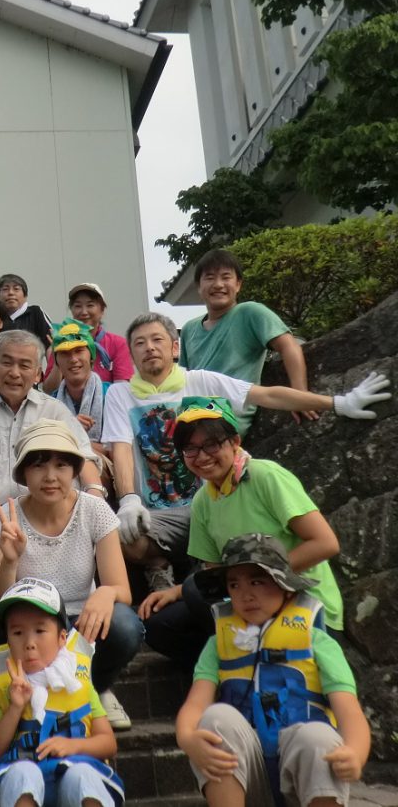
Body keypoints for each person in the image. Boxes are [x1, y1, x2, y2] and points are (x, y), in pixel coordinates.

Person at [102, 312, 389, 593]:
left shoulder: (199, 380)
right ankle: (159, 564)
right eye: (140, 343)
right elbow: (122, 449)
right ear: (131, 353)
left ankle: (198, 573)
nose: (149, 347)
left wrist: (338, 402)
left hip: (212, 502)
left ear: (175, 347)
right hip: (161, 515)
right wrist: (128, 499)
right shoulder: (119, 394)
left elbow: (266, 395)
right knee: (118, 536)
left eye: (157, 339)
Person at [139, 398, 343, 671]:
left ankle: (249, 669)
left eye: (211, 444)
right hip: (248, 600)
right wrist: (174, 592)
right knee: (160, 624)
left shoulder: (265, 476)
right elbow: (215, 570)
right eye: (190, 449)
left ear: (234, 441)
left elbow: (325, 543)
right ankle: (227, 674)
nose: (202, 456)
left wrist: (259, 575)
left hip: (305, 604)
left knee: (195, 589)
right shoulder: (204, 500)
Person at [176, 534, 370, 807]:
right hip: (248, 775)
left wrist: (355, 753)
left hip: (302, 775)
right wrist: (187, 739)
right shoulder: (217, 645)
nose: (246, 594)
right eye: (234, 584)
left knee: (318, 737)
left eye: (257, 581)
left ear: (285, 586)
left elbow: (349, 711)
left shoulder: (319, 643)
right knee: (216, 717)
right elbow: (196, 704)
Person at [0, 420, 140, 731]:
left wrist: (105, 593)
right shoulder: (5, 518)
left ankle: (94, 688)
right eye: (39, 465)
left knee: (125, 625)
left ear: (74, 470)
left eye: (61, 465)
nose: (51, 476)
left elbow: (121, 588)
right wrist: (10, 562)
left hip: (84, 623)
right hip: (30, 623)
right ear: (24, 472)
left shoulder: (94, 510)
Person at [0, 577, 123, 807]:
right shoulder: (4, 685)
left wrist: (73, 746)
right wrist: (15, 707)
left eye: (40, 630)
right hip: (21, 778)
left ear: (62, 638)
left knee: (82, 775)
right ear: (8, 640)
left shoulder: (77, 679)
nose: (29, 643)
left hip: (70, 772)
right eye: (18, 633)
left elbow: (108, 744)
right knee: (24, 773)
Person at [0, 329, 103, 544]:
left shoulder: (54, 411)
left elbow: (84, 457)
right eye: (6, 363)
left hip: (43, 517)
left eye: (24, 365)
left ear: (38, 374)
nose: (14, 373)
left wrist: (96, 495)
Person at [179, 249, 316, 433]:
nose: (218, 284)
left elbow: (288, 345)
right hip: (191, 416)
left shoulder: (250, 312)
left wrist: (300, 395)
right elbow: (182, 379)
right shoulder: (189, 329)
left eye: (226, 277)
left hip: (227, 417)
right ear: (199, 287)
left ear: (238, 284)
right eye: (210, 278)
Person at [67, 284, 131, 386]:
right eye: (78, 306)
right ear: (72, 310)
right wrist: (59, 358)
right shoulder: (63, 342)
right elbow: (49, 389)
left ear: (102, 310)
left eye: (90, 305)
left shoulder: (118, 344)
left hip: (109, 401)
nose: (84, 312)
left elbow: (121, 389)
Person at [0, 273, 52, 350]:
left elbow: (50, 343)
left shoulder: (36, 312)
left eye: (16, 289)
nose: (11, 293)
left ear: (25, 296)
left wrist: (53, 362)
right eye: (5, 289)